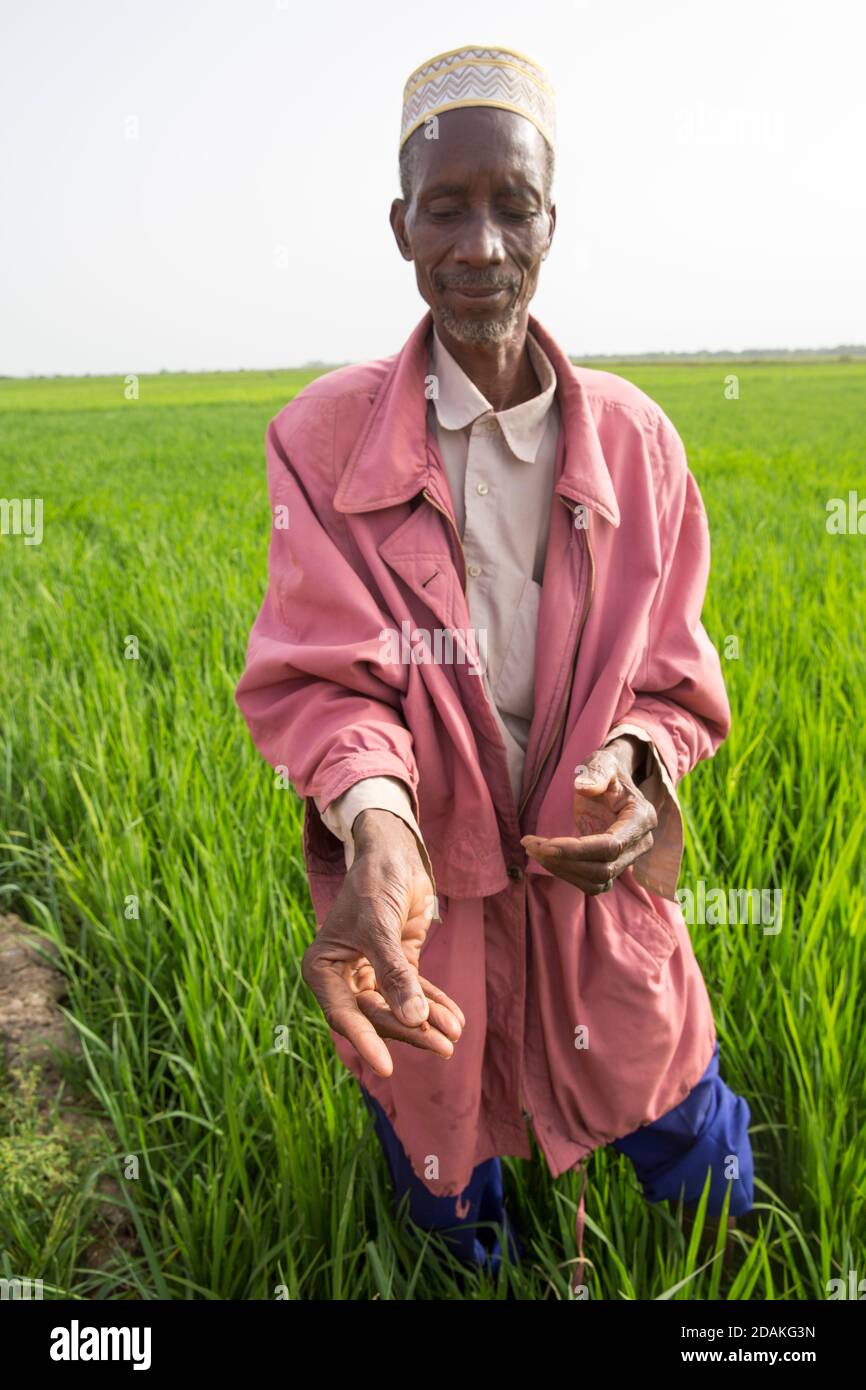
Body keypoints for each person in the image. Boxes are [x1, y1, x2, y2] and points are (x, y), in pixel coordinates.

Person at [235, 43, 753, 1283]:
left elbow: (668, 674)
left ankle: (747, 1274)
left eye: (509, 205)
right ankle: (471, 1267)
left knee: (671, 1100)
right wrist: (377, 824)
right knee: (437, 1129)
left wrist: (636, 762)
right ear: (400, 227)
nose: (478, 244)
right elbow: (326, 677)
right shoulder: (322, 440)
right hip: (426, 897)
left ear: (550, 221)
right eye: (445, 208)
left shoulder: (635, 447)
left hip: (589, 895)